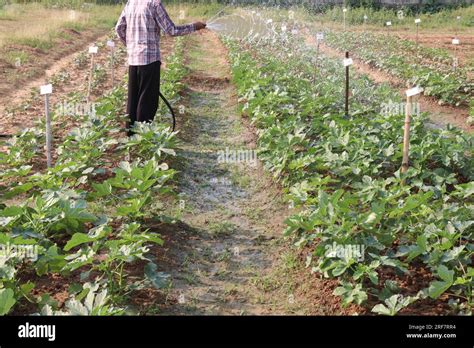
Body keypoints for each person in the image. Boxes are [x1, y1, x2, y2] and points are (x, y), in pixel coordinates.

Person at [115, 0, 206, 136]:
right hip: (150, 61)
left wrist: (131, 47)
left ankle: (130, 136)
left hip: (133, 60)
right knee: (147, 100)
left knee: (133, 99)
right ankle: (142, 136)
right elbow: (171, 30)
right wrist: (194, 26)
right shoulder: (154, 4)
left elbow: (119, 29)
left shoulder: (131, 3)